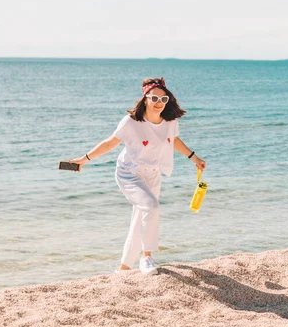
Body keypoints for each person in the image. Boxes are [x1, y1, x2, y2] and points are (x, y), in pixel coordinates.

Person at [69, 77, 206, 275]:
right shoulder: (131, 122)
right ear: (145, 99)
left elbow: (173, 140)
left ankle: (124, 268)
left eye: (163, 99)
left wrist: (194, 157)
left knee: (141, 217)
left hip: (153, 174)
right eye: (154, 98)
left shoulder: (169, 122)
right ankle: (147, 257)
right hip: (129, 174)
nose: (159, 103)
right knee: (151, 206)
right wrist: (84, 159)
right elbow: (110, 143)